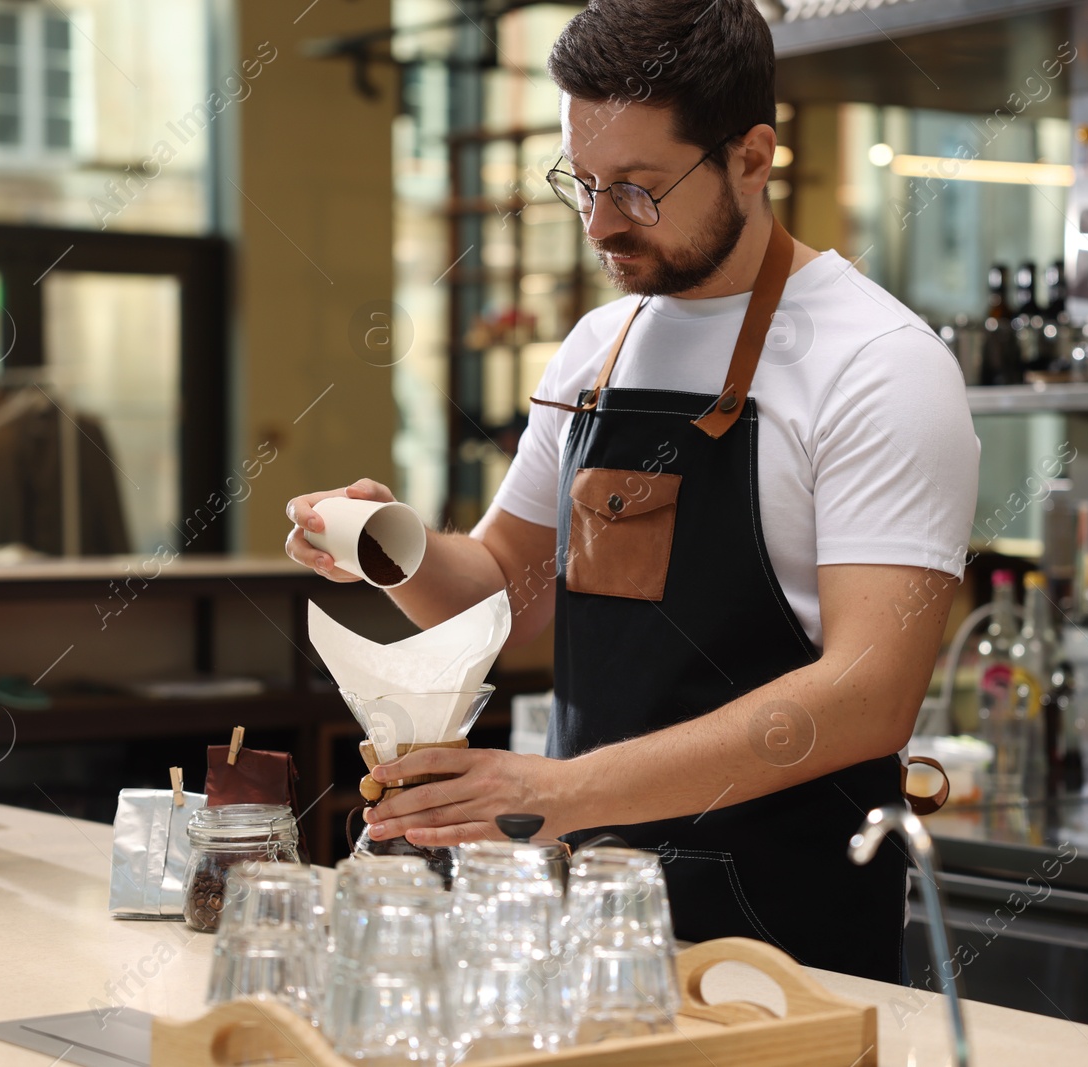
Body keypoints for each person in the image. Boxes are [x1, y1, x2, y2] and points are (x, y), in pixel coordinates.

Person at [286, 0, 979, 980]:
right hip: (591, 929)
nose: (602, 221)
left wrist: (560, 789)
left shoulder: (878, 364)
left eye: (641, 188)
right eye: (585, 181)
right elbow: (504, 598)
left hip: (779, 949)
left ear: (751, 156)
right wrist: (387, 544)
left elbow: (869, 692)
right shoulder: (596, 351)